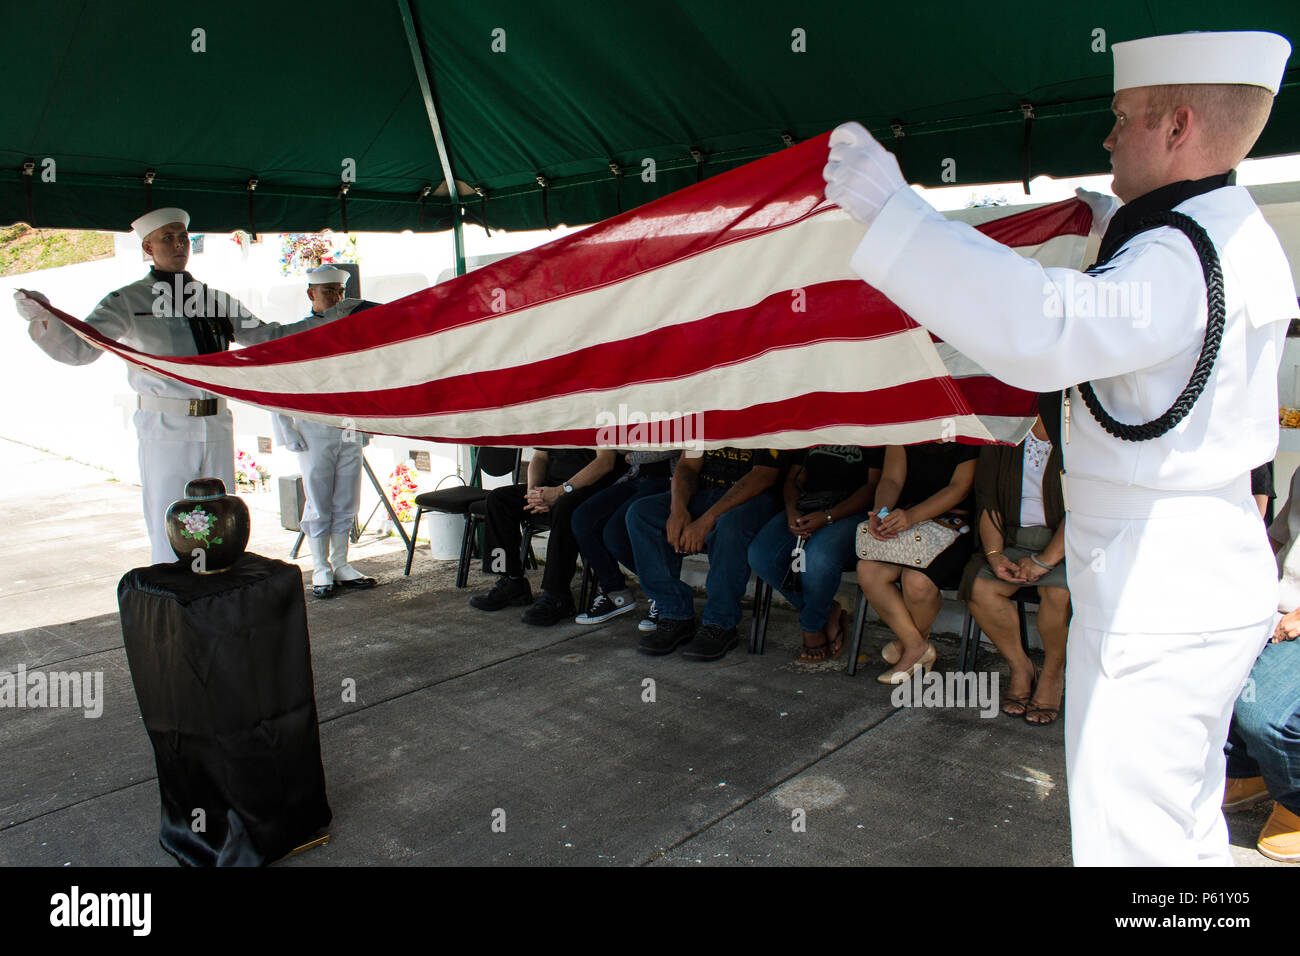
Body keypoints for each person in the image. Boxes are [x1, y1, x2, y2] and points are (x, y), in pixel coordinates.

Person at [824, 31, 1296, 865]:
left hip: (1163, 581)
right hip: (1178, 560)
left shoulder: (1182, 252)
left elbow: (1047, 327)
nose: (1108, 137)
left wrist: (898, 217)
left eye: (1123, 119)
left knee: (1137, 839)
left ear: (1178, 126)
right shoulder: (1215, 234)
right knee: (1173, 823)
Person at [13, 208, 339, 565]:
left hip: (216, 421)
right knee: (170, 517)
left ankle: (216, 589)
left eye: (183, 236)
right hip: (165, 427)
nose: (179, 244)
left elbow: (268, 337)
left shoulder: (215, 299)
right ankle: (174, 596)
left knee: (219, 517)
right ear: (148, 248)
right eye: (167, 238)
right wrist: (43, 318)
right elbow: (79, 351)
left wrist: (332, 324)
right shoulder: (127, 301)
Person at [272, 266, 377, 598]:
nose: (337, 297)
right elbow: (277, 383)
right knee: (319, 497)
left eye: (340, 291)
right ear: (311, 294)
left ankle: (341, 562)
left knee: (347, 495)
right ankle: (320, 566)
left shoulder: (353, 331)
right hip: (314, 425)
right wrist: (285, 429)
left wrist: (366, 423)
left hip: (347, 423)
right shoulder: (299, 333)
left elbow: (365, 381)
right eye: (329, 291)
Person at [958, 415, 1069, 724]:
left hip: (1066, 543)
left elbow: (1082, 508)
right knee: (980, 587)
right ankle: (1021, 668)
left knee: (1057, 593)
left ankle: (1052, 674)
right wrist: (994, 556)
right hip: (1010, 538)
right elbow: (987, 499)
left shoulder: (1077, 430)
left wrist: (1045, 560)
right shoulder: (1006, 427)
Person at [626, 447, 784, 660]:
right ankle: (674, 614)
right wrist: (678, 509)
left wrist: (707, 520)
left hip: (755, 498)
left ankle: (720, 623)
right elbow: (688, 466)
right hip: (706, 494)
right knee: (641, 514)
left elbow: (763, 475)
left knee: (730, 527)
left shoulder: (767, 415)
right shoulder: (706, 416)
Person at [1221, 463, 1300, 862]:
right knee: (1212, 673)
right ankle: (1250, 772)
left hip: (1296, 617)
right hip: (1276, 604)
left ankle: (1295, 803)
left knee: (1266, 713)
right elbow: (1276, 539)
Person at [747, 445, 882, 662]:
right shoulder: (815, 421)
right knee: (762, 555)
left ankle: (811, 627)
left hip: (852, 513)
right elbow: (794, 478)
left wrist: (829, 517)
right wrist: (792, 509)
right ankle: (826, 611)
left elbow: (873, 486)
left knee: (818, 558)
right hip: (808, 506)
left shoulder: (871, 426)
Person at [857, 442, 977, 683]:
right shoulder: (908, 423)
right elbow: (891, 480)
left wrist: (912, 516)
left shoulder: (965, 428)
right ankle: (916, 645)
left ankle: (908, 644)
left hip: (954, 525)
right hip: (907, 524)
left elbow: (959, 488)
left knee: (917, 581)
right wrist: (880, 514)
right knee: (868, 570)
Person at [469, 447, 619, 625]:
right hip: (553, 487)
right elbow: (540, 457)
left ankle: (558, 595)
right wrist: (533, 493)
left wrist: (560, 492)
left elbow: (606, 463)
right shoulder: (555, 420)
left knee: (565, 509)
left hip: (587, 490)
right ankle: (511, 581)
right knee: (498, 500)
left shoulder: (596, 419)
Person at [571, 450, 679, 627]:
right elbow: (621, 447)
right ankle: (616, 592)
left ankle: (665, 593)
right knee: (583, 518)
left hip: (670, 482)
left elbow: (678, 443)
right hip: (635, 478)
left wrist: (636, 455)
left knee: (615, 534)